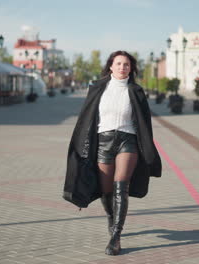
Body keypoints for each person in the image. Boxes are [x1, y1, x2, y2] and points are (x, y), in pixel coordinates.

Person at [63, 50, 162, 256]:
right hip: (104, 141)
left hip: (128, 141)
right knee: (106, 190)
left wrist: (148, 147)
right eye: (118, 64)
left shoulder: (136, 91)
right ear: (111, 66)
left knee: (120, 187)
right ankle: (111, 216)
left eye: (126, 64)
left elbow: (144, 123)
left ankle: (116, 236)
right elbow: (86, 118)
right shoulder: (98, 88)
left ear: (131, 68)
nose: (122, 67)